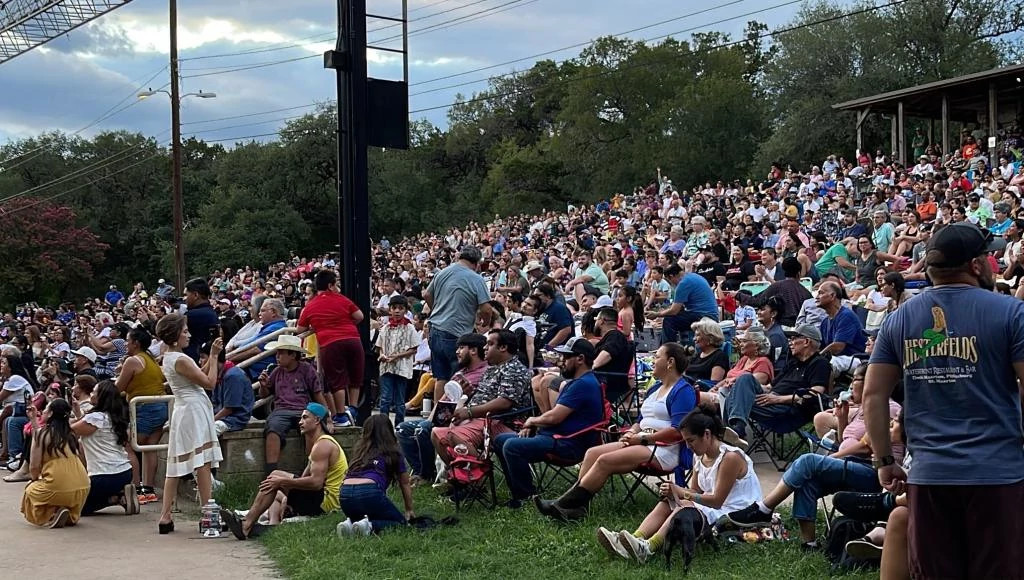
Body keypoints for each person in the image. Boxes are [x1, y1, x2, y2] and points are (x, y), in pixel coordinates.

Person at [863, 222, 1024, 580]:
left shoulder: (899, 319)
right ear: (977, 265)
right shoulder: (1011, 313)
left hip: (930, 476)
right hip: (997, 474)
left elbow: (873, 395)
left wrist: (885, 460)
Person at [535, 343, 696, 522]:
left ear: (670, 362)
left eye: (657, 357)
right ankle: (577, 506)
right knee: (592, 453)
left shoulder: (683, 391)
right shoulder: (654, 389)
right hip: (642, 441)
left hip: (664, 449)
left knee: (605, 460)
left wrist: (643, 439)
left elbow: (678, 431)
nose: (653, 362)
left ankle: (564, 505)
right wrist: (631, 432)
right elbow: (640, 420)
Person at [726, 409, 905, 549]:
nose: (850, 389)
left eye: (855, 382)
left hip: (874, 474)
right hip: (851, 464)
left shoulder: (886, 409)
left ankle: (764, 509)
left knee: (808, 461)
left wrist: (832, 458)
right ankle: (809, 543)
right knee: (808, 481)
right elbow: (847, 441)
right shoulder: (860, 410)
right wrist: (843, 417)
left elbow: (866, 448)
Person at [601, 407, 762, 563]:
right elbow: (695, 490)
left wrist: (683, 493)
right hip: (716, 508)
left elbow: (717, 500)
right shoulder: (700, 456)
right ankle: (634, 539)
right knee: (669, 501)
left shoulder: (730, 458)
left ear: (707, 434)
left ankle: (648, 547)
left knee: (684, 504)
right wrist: (674, 492)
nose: (688, 446)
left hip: (738, 512)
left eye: (690, 440)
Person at [494, 336, 605, 508]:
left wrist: (532, 421)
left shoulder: (583, 384)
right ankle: (518, 491)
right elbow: (554, 416)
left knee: (511, 446)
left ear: (580, 359)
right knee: (501, 440)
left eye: (567, 357)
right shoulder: (581, 382)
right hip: (557, 436)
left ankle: (525, 498)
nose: (562, 361)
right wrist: (534, 426)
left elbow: (554, 417)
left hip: (568, 444)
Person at [221, 403, 348, 539]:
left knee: (276, 477)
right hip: (320, 497)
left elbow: (316, 483)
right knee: (275, 485)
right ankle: (271, 525)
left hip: (328, 503)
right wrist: (287, 494)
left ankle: (246, 525)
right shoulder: (318, 444)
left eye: (305, 418)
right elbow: (302, 478)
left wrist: (283, 482)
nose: (300, 422)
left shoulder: (323, 445)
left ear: (317, 420)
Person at [154, 313, 224, 535]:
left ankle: (165, 515)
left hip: (185, 408)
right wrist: (213, 357)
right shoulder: (180, 359)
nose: (189, 335)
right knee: (201, 460)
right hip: (193, 409)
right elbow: (210, 383)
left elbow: (196, 376)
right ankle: (208, 511)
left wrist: (208, 362)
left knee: (175, 464)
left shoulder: (170, 357)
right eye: (184, 331)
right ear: (174, 336)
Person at [396, 333, 489, 485]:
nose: (457, 352)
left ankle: (426, 475)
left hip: (464, 422)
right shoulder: (460, 373)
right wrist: (430, 419)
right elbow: (443, 400)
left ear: (473, 350)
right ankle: (422, 471)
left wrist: (467, 395)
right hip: (443, 418)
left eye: (461, 348)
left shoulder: (485, 373)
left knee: (423, 429)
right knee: (402, 428)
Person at [431, 329, 532, 461]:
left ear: (503, 347)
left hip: (500, 421)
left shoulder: (514, 369)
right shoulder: (492, 369)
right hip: (480, 419)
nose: (484, 347)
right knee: (437, 434)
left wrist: (469, 412)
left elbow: (504, 402)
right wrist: (468, 394)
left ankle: (476, 473)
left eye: (489, 344)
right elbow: (484, 398)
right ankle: (457, 475)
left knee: (456, 436)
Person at [719, 324, 831, 439]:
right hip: (770, 401)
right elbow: (768, 387)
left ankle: (733, 433)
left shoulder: (819, 363)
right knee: (744, 378)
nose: (790, 343)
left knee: (733, 399)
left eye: (794, 339)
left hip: (787, 410)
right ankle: (736, 431)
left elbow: (815, 393)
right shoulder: (793, 363)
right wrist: (740, 386)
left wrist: (778, 399)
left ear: (806, 341)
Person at [424, 246, 494, 407]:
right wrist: (485, 321)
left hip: (435, 329)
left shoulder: (442, 272)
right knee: (457, 377)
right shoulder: (476, 278)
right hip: (457, 333)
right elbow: (486, 308)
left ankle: (437, 416)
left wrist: (438, 310)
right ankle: (451, 416)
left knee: (440, 377)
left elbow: (427, 294)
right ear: (477, 263)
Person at [296, 269, 365, 426]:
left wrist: (319, 326)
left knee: (337, 380)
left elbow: (300, 330)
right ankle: (353, 408)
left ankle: (341, 416)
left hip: (330, 342)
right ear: (330, 285)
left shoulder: (311, 305)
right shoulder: (342, 299)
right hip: (353, 339)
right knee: (355, 377)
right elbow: (359, 316)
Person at [258, 334, 329, 476]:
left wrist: (327, 417)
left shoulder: (307, 370)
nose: (277, 356)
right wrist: (263, 385)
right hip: (281, 410)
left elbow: (318, 394)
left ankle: (311, 469)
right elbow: (264, 394)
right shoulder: (277, 371)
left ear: (293, 355)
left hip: (303, 409)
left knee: (310, 429)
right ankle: (270, 473)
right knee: (273, 429)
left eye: (281, 353)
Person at [70, 380, 140, 516]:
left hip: (102, 475)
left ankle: (115, 499)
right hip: (124, 472)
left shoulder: (95, 417)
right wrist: (78, 413)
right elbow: (89, 427)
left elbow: (71, 431)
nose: (91, 394)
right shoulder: (113, 417)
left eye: (94, 391)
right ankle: (118, 494)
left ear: (101, 396)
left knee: (74, 508)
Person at [114, 327, 167, 504]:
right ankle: (149, 489)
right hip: (160, 407)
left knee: (129, 445)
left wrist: (119, 373)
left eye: (127, 341)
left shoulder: (132, 361)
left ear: (135, 343)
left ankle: (137, 489)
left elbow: (117, 388)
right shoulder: (150, 359)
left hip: (145, 409)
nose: (126, 344)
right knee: (150, 447)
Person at [337, 414, 415, 535]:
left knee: (364, 516)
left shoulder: (359, 452)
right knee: (400, 523)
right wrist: (409, 509)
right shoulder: (393, 452)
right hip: (369, 491)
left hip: (345, 494)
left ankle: (349, 524)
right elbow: (404, 483)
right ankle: (370, 526)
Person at [20, 398, 90, 528]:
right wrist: (34, 420)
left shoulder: (42, 435)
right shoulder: (72, 434)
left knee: (30, 491)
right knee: (61, 490)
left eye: (46, 409)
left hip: (58, 487)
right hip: (83, 486)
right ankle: (67, 514)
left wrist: (34, 480)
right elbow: (83, 460)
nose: (43, 412)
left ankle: (52, 514)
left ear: (51, 414)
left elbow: (34, 467)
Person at [375, 295, 420, 426]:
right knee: (385, 399)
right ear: (390, 309)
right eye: (394, 308)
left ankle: (399, 426)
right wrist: (382, 355)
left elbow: (413, 349)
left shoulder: (409, 328)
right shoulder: (385, 328)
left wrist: (397, 356)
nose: (397, 311)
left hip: (402, 368)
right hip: (386, 367)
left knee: (400, 400)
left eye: (401, 308)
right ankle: (383, 427)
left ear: (406, 310)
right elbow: (379, 347)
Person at [648, 266, 719, 345]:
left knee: (669, 321)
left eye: (669, 281)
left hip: (703, 316)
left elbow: (674, 311)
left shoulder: (683, 283)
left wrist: (657, 314)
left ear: (671, 277)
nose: (672, 284)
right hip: (710, 314)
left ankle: (668, 350)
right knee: (673, 318)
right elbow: (679, 307)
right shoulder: (693, 276)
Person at [733, 257, 811, 327]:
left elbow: (757, 301)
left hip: (781, 328)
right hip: (800, 328)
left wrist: (737, 295)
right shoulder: (805, 292)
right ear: (798, 273)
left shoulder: (777, 286)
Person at [203, 340, 253, 434]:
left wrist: (209, 421)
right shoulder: (218, 374)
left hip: (234, 419)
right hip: (220, 415)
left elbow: (229, 409)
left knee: (206, 431)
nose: (200, 361)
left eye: (202, 358)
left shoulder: (233, 375)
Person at [816, 281, 867, 374]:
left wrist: (816, 359)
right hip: (839, 358)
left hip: (856, 358)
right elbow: (821, 346)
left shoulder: (846, 315)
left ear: (832, 296)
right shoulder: (824, 322)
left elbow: (838, 347)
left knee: (828, 364)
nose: (816, 297)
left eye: (821, 293)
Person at [182, 278, 219, 363]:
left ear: (195, 295)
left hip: (194, 363)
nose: (184, 298)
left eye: (185, 295)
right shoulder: (210, 312)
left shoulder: (192, 315)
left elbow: (168, 334)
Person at [685, 318, 730, 384]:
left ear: (710, 337)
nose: (694, 339)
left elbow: (713, 384)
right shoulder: (695, 357)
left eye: (698, 335)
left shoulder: (719, 356)